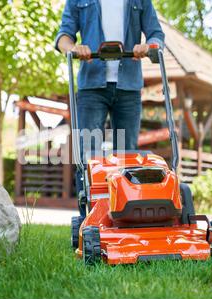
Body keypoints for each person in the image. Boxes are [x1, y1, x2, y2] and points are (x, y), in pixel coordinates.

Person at [55, 0, 165, 217]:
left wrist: (148, 46)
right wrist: (74, 48)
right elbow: (63, 37)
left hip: (129, 86)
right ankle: (89, 220)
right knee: (88, 155)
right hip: (91, 86)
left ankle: (128, 216)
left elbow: (156, 35)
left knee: (128, 156)